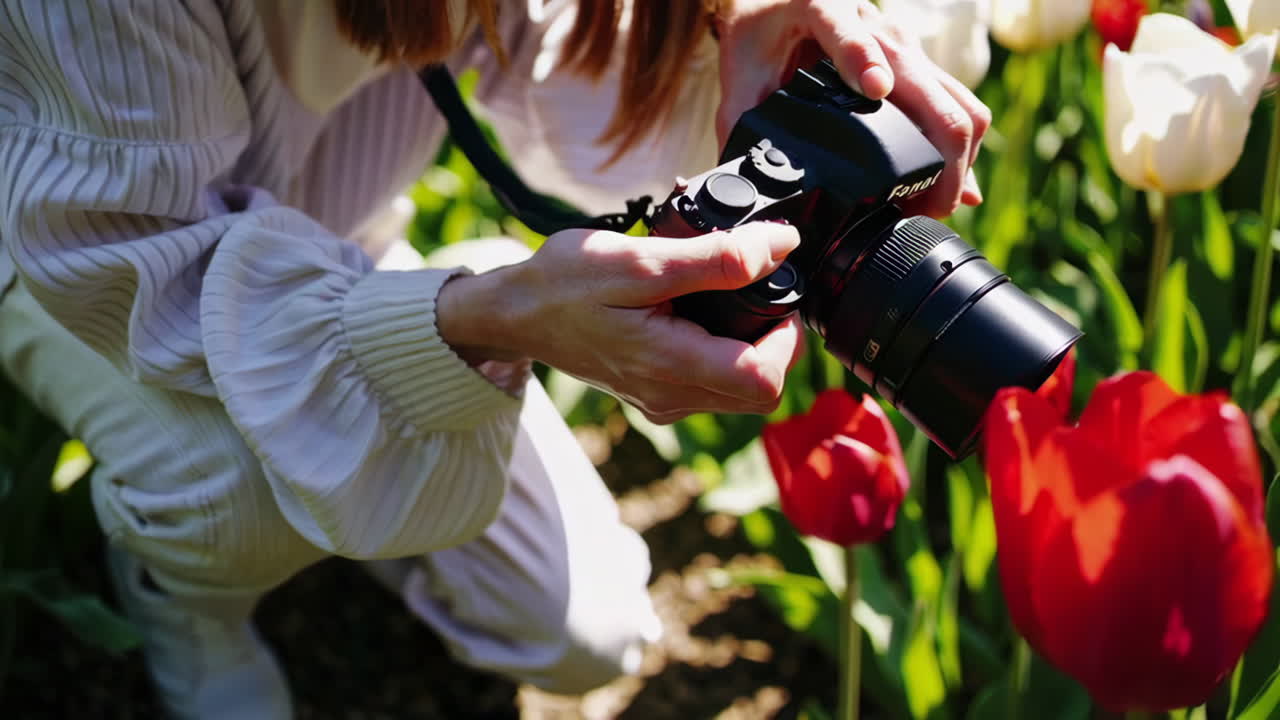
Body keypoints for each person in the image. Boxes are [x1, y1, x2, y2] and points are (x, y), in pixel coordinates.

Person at [0, 0, 989, 716]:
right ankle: (189, 600)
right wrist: (482, 321)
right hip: (81, 265)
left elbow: (553, 70)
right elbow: (136, 262)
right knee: (238, 489)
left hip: (335, 241)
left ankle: (392, 352)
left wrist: (727, 35)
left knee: (584, 633)